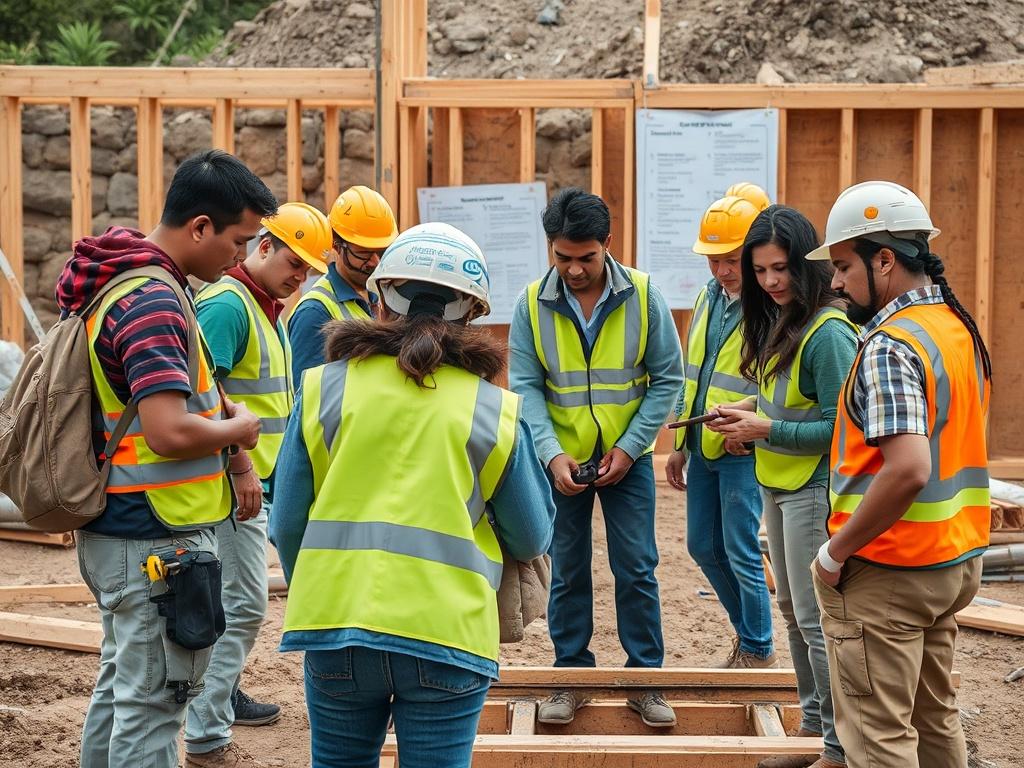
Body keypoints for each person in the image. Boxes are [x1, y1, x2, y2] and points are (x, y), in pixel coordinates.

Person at [269, 223, 555, 768]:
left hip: (336, 626)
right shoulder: (493, 410)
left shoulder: (323, 389)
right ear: (471, 313)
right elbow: (533, 532)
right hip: (446, 632)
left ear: (378, 300)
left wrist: (322, 586)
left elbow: (286, 525)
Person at [58, 149, 275, 768]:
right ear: (200, 226)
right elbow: (168, 432)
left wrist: (231, 455)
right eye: (238, 241)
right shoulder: (152, 300)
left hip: (130, 528)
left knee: (123, 691)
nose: (240, 259)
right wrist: (242, 428)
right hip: (153, 535)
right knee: (155, 706)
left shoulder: (135, 282)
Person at [808, 181, 992, 768]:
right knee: (932, 718)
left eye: (842, 266)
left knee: (878, 737)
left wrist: (836, 552)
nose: (834, 282)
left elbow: (908, 468)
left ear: (884, 259)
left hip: (890, 569)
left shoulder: (891, 345)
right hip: (952, 561)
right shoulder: (954, 326)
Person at [509, 188, 683, 727]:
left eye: (587, 257)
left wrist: (632, 449)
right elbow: (525, 385)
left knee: (636, 567)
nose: (575, 268)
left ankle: (644, 681)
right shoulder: (530, 303)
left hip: (625, 462)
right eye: (563, 257)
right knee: (566, 571)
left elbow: (667, 381)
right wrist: (550, 452)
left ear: (608, 244)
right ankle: (571, 676)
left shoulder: (645, 295)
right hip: (560, 465)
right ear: (551, 249)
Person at [707, 205, 856, 768]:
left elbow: (842, 427)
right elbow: (787, 398)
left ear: (807, 264)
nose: (770, 281)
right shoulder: (782, 317)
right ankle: (814, 726)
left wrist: (763, 428)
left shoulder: (828, 332)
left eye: (781, 269)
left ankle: (838, 747)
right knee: (793, 614)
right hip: (779, 478)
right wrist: (745, 411)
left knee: (817, 622)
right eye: (761, 270)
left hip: (812, 487)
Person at [185, 202, 333, 766]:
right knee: (243, 605)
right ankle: (205, 727)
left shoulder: (262, 305)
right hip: (229, 483)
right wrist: (239, 465)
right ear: (264, 246)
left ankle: (213, 710)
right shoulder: (228, 305)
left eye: (308, 270)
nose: (300, 277)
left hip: (251, 480)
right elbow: (200, 392)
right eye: (294, 262)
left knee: (234, 603)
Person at [664, 191, 777, 669]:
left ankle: (757, 649)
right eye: (714, 260)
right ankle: (748, 637)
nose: (722, 270)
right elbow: (694, 373)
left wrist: (748, 425)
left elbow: (777, 385)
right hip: (703, 443)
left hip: (740, 450)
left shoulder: (769, 306)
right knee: (701, 546)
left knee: (742, 548)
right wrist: (679, 445)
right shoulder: (708, 296)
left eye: (730, 260)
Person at [287, 185, 398, 382]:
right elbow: (305, 396)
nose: (375, 262)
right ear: (337, 246)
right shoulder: (314, 312)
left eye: (381, 252)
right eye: (364, 253)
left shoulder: (377, 297)